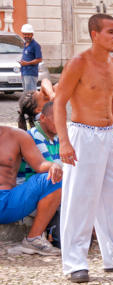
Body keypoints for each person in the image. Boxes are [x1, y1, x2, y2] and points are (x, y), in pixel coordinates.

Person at [53, 13, 113, 284]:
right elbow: (59, 102)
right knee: (80, 200)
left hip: (109, 136)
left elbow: (112, 101)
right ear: (95, 35)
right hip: (83, 134)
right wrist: (64, 141)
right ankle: (75, 263)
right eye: (110, 31)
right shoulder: (78, 63)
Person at [18, 82, 113, 250]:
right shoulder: (34, 136)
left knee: (94, 193)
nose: (61, 117)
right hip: (42, 192)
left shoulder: (55, 134)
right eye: (43, 98)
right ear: (40, 115)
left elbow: (47, 82)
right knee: (85, 198)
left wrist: (51, 94)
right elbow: (54, 169)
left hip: (55, 190)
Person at [0, 124, 62, 256]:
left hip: (8, 201)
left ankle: (33, 239)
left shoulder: (18, 136)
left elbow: (39, 164)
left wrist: (53, 165)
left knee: (53, 179)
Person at [15, 101, 62, 250]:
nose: (60, 122)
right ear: (42, 118)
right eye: (56, 117)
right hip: (29, 189)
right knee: (55, 179)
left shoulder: (57, 137)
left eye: (63, 117)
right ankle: (34, 238)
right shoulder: (34, 136)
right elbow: (53, 169)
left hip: (47, 189)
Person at [19, 24, 43, 92]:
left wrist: (27, 63)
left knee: (31, 94)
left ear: (32, 34)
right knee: (26, 93)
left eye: (28, 34)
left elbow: (39, 59)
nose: (26, 36)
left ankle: (33, 103)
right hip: (24, 72)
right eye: (24, 34)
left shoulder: (36, 45)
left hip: (31, 73)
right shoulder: (25, 44)